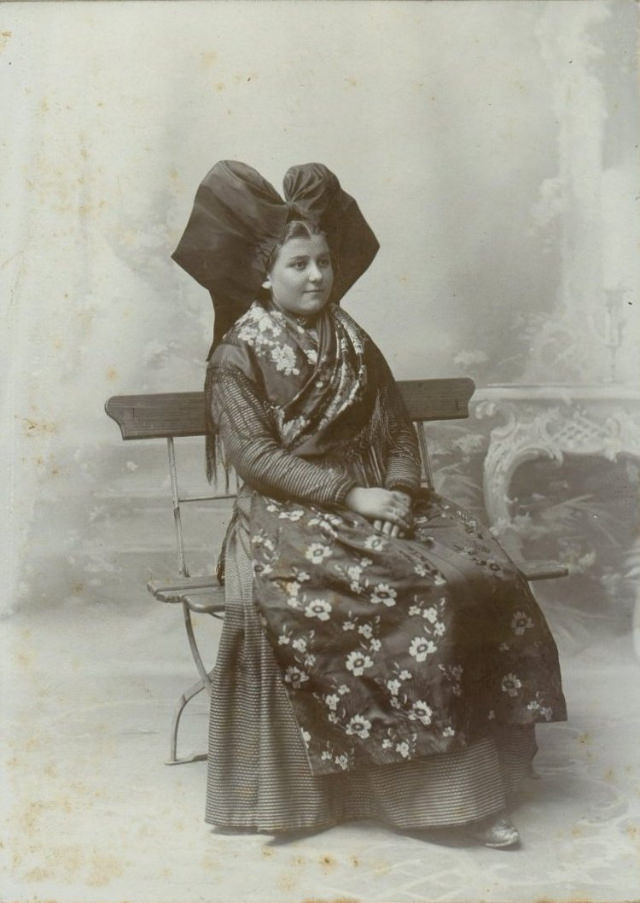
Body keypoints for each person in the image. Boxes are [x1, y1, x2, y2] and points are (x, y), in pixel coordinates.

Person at [172, 160, 567, 849]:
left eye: (323, 261)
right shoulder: (238, 355)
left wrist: (405, 492)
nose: (317, 276)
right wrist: (348, 494)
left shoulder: (352, 339)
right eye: (298, 264)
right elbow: (256, 459)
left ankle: (484, 774)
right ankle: (436, 802)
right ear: (265, 276)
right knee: (415, 591)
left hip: (376, 500)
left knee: (481, 574)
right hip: (287, 515)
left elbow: (393, 426)